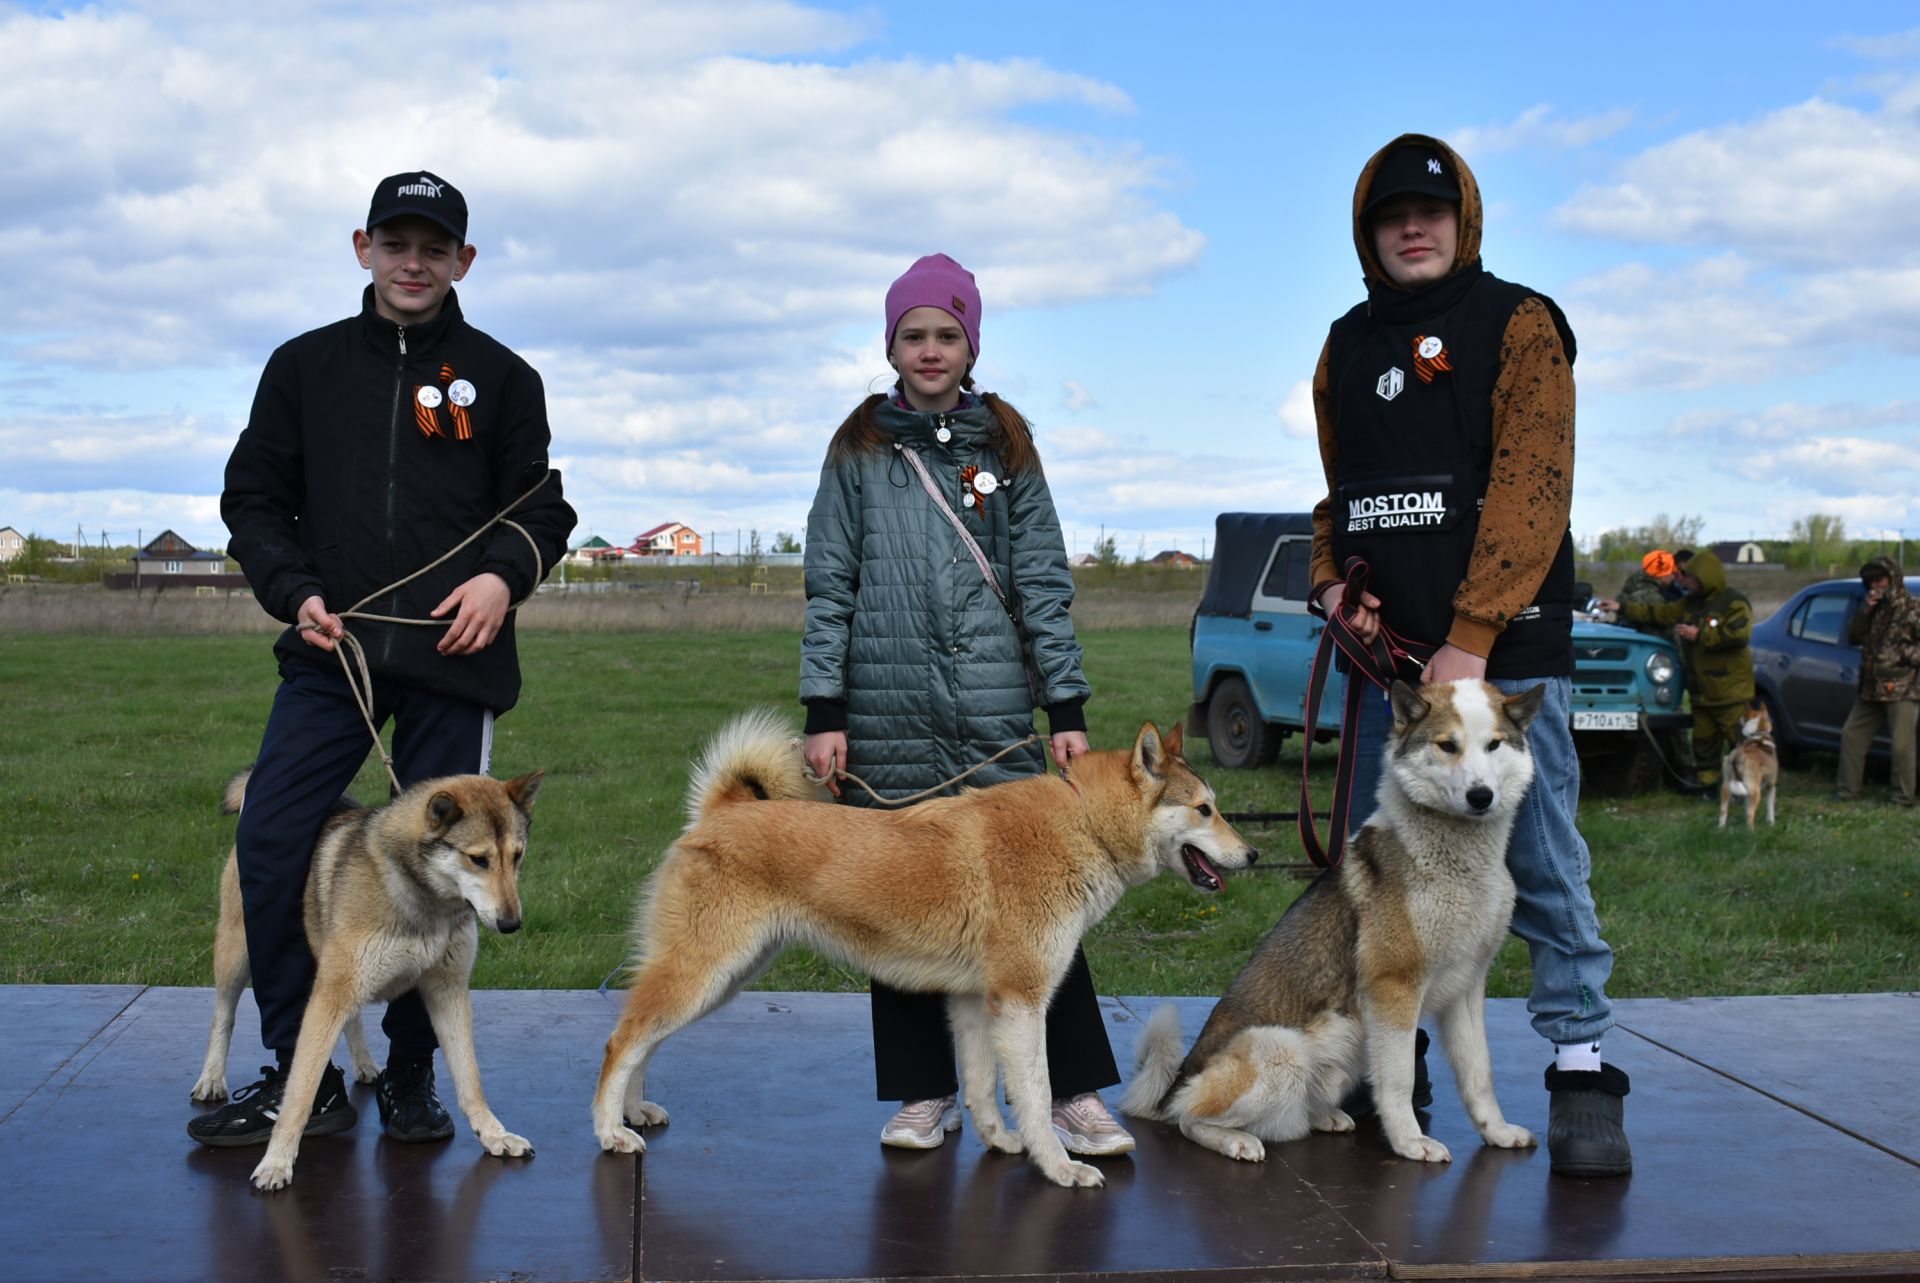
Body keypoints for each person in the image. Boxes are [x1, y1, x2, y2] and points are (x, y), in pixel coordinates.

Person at [196, 171, 576, 1152]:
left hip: (458, 662)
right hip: (334, 658)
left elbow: (543, 510)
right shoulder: (304, 367)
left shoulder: (503, 377)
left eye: (435, 246)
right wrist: (293, 588)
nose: (416, 262)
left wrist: (502, 579)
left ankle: (412, 1077)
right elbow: (252, 496)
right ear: (363, 246)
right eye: (397, 243)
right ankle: (303, 1071)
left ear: (464, 260)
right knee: (271, 839)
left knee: (442, 880)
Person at [1306, 135, 1631, 1177]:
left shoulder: (1518, 324)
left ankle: (1579, 1064)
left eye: (1431, 212)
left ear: (1465, 221)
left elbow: (1538, 482)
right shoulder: (1345, 347)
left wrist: (1472, 637)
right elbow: (1342, 491)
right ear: (1368, 231)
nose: (1414, 227)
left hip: (1498, 659)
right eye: (1392, 214)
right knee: (1380, 876)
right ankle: (1391, 1073)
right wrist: (1329, 581)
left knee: (1536, 860)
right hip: (1394, 682)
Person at [800, 253, 1132, 1158]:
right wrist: (824, 709)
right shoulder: (859, 450)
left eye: (948, 334)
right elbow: (830, 583)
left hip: (994, 714)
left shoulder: (1007, 445)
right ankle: (922, 1091)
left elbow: (1042, 582)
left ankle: (1072, 1089)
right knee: (898, 896)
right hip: (886, 708)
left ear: (971, 342)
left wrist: (1064, 707)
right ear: (891, 345)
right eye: (914, 335)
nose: (931, 350)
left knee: (1038, 899)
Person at [1598, 548, 1752, 796]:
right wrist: (1622, 607)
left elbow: (1740, 635)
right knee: (1704, 745)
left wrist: (1700, 635)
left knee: (1742, 741)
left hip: (1729, 691)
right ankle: (1708, 788)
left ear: (1704, 576)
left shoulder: (1733, 602)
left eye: (1688, 576)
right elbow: (1660, 613)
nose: (1683, 580)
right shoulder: (1690, 603)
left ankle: (1749, 786)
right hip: (1701, 691)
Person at [1835, 556, 1920, 806]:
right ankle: (1846, 791)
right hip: (1871, 688)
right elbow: (1852, 637)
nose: (1875, 586)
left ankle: (1902, 797)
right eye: (1871, 581)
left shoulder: (1911, 609)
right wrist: (1866, 610)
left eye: (1880, 580)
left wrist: (1902, 656)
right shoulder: (1874, 609)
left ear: (1893, 579)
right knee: (1851, 735)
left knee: (1902, 747)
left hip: (1902, 689)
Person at [1616, 549, 1697, 784]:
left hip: (1637, 667)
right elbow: (1665, 625)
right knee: (1672, 713)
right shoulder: (1651, 596)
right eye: (1671, 573)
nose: (1673, 578)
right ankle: (1684, 770)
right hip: (1656, 665)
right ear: (1661, 574)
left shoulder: (1629, 590)